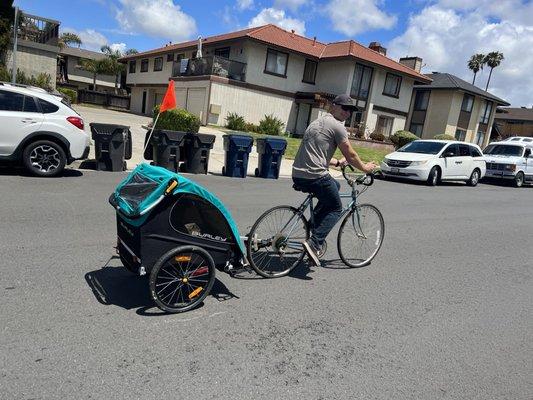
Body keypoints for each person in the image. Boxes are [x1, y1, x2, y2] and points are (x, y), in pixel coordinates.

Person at [292, 94, 378, 266]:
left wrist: (337, 162)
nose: (347, 113)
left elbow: (316, 152)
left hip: (299, 173)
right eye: (345, 108)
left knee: (335, 186)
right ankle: (314, 243)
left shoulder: (317, 122)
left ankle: (312, 226)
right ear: (334, 106)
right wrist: (366, 168)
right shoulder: (337, 126)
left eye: (350, 111)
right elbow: (351, 154)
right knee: (336, 207)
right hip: (315, 176)